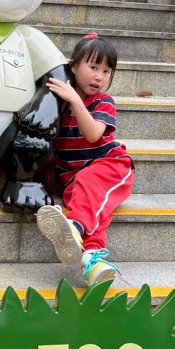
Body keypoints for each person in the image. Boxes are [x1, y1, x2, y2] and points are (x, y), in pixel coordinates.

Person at [36, 32, 134, 285]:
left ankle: (73, 225)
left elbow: (93, 135)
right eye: (93, 67)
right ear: (73, 67)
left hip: (110, 166)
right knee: (93, 212)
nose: (99, 76)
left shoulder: (103, 101)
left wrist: (75, 101)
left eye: (107, 71)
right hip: (74, 178)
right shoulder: (57, 103)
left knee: (84, 208)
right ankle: (93, 261)